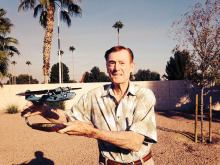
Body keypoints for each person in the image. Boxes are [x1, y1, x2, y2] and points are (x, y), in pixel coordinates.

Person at [22, 46, 157, 165]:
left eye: (122, 63)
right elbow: (67, 119)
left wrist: (91, 132)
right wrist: (43, 110)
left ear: (132, 66)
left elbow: (135, 142)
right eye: (112, 63)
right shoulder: (93, 96)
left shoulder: (144, 95)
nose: (116, 68)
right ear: (107, 66)